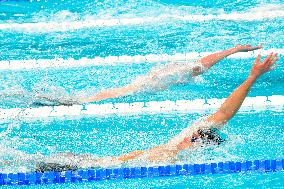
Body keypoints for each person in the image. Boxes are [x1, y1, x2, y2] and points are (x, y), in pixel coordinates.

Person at [35, 53, 279, 172]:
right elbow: (224, 114)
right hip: (95, 165)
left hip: (96, 165)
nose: (190, 139)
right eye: (193, 137)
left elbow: (222, 116)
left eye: (194, 140)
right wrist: (252, 77)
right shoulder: (175, 150)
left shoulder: (179, 153)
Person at [34, 44, 262, 106]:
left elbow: (200, 65)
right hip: (117, 96)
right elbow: (202, 65)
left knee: (72, 101)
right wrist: (233, 50)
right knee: (74, 103)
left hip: (119, 92)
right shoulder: (179, 73)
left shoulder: (169, 71)